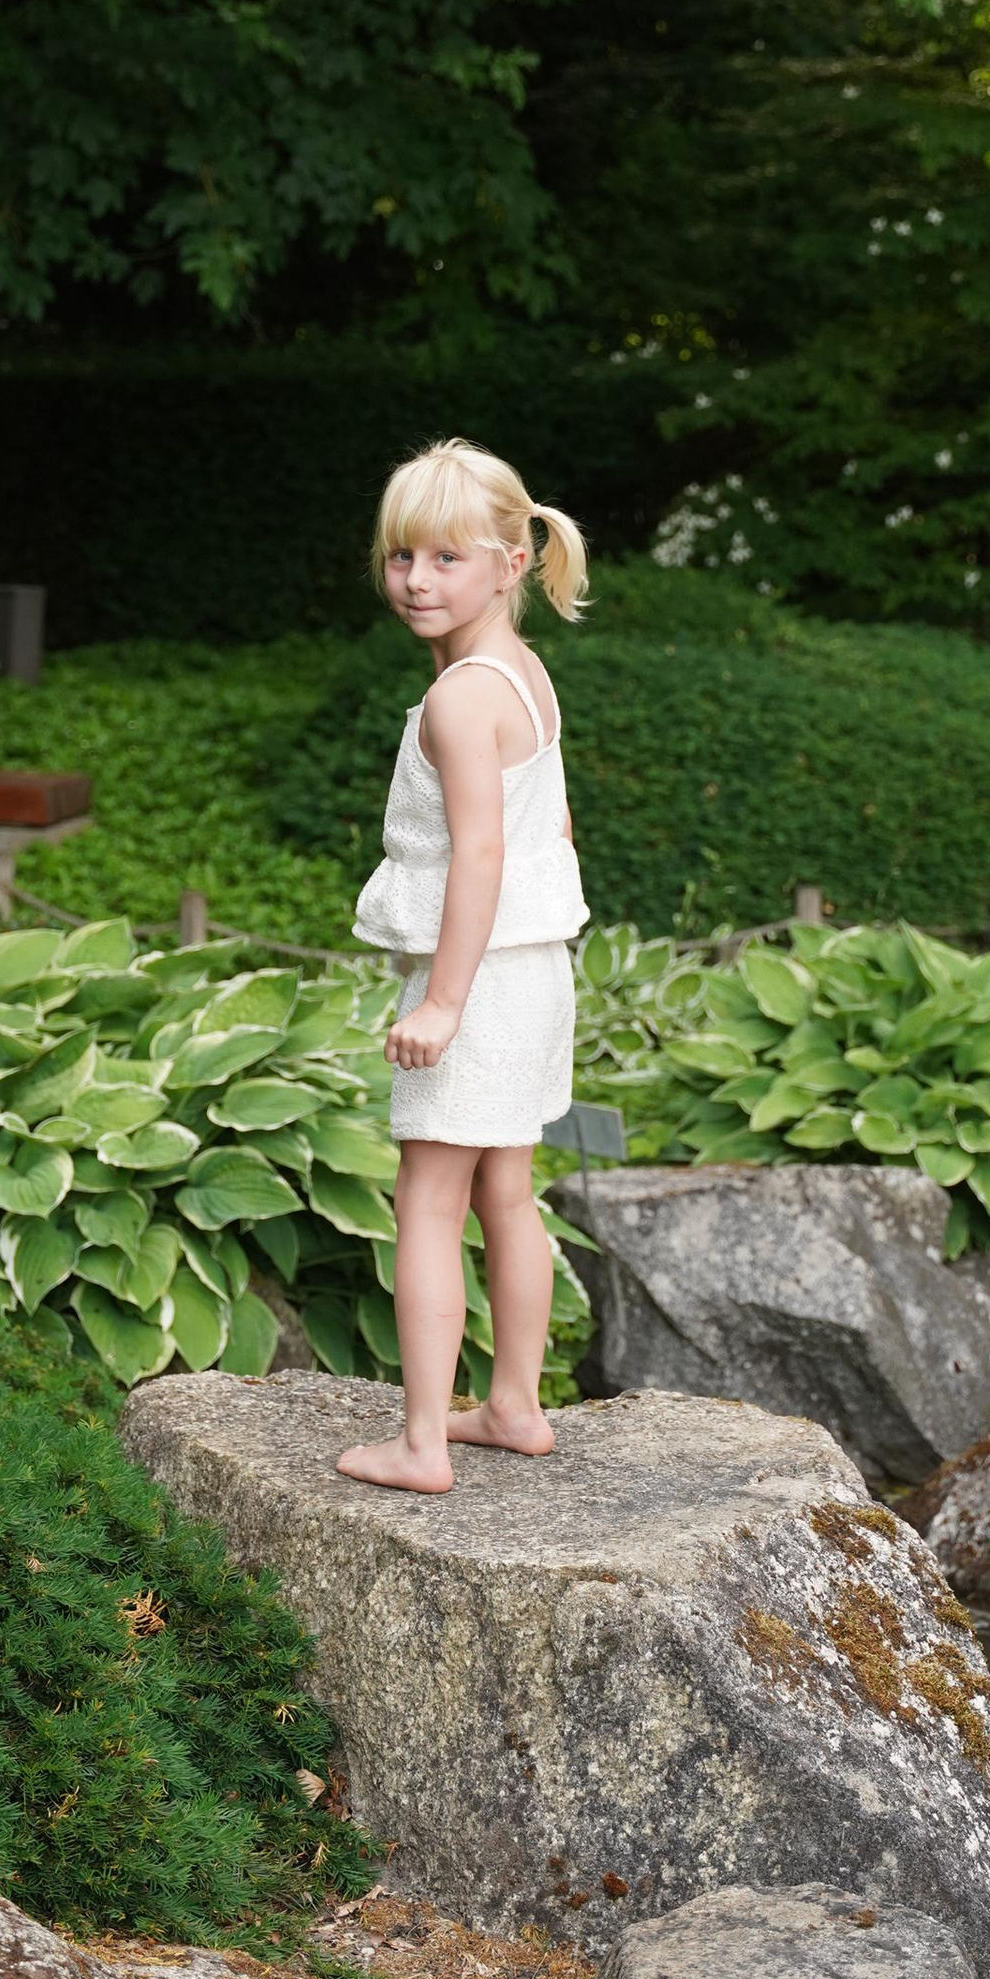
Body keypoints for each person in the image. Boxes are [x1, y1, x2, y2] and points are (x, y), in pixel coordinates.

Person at [336, 438, 591, 1493]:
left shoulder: (455, 700)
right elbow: (558, 827)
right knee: (509, 1192)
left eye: (446, 558)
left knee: (428, 1201)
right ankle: (516, 1406)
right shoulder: (523, 677)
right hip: (531, 971)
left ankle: (422, 1443)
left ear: (510, 561)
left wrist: (442, 1002)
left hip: (474, 978)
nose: (417, 581)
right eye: (403, 558)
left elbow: (481, 851)